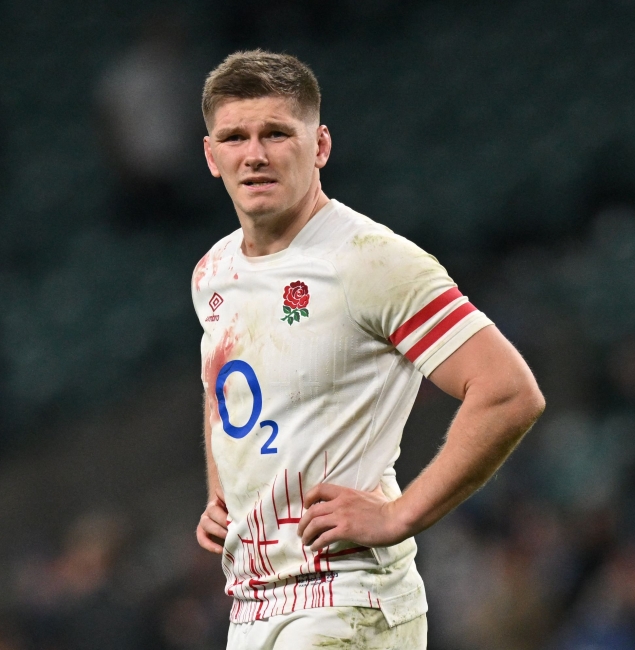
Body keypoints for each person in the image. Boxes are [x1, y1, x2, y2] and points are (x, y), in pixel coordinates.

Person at [190, 50, 545, 649]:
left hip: (346, 595)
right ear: (211, 155)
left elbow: (509, 392)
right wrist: (221, 490)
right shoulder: (213, 270)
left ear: (320, 145)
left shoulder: (370, 261)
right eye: (235, 137)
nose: (255, 154)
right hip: (252, 600)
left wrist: (399, 515)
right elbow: (224, 384)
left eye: (277, 133)